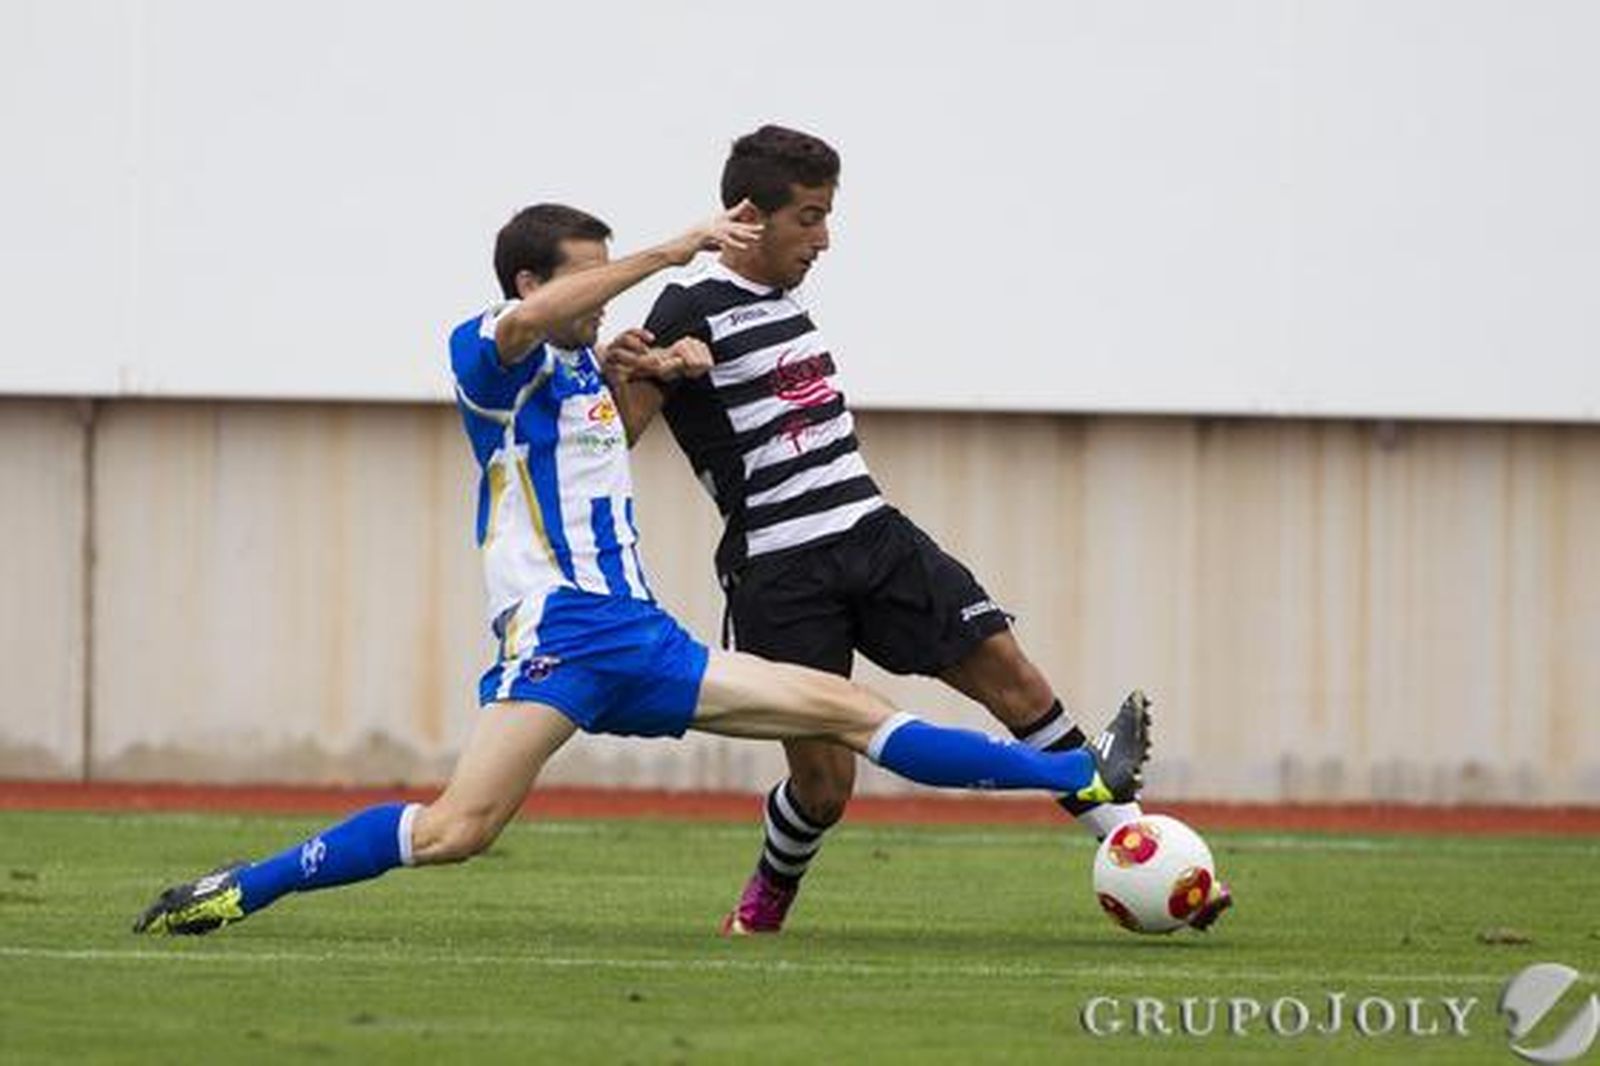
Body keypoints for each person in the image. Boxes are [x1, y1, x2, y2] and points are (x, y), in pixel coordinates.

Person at [132, 201, 1151, 937]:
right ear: (535, 280)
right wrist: (668, 251)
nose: (614, 285)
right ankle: (242, 888)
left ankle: (1076, 774)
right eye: (594, 270)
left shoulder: (587, 369)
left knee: (847, 710)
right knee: (454, 830)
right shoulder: (488, 353)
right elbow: (529, 326)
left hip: (649, 642)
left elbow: (603, 442)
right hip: (563, 641)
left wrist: (660, 373)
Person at [615, 125, 1231, 935]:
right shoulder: (686, 306)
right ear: (748, 217)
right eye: (808, 217)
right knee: (827, 787)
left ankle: (1135, 842)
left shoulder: (784, 295)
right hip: (782, 570)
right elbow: (616, 434)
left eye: (827, 215)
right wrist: (630, 365)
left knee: (1013, 674)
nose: (824, 238)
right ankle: (764, 905)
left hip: (874, 533)